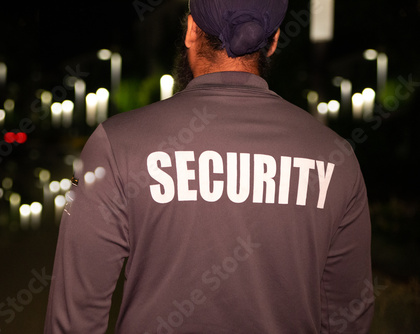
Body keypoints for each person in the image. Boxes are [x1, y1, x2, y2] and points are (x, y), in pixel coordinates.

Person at [44, 0, 374, 333]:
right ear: (272, 42)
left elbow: (75, 317)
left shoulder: (112, 145)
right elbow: (349, 317)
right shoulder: (336, 158)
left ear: (190, 31)